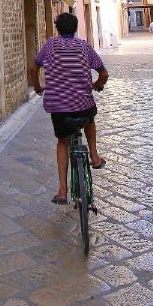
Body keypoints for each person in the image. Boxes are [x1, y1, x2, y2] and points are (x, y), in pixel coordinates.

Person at [34, 12, 109, 205]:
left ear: (57, 28)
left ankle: (62, 191)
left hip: (58, 107)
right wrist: (96, 85)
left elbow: (34, 68)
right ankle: (94, 155)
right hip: (83, 105)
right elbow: (103, 73)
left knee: (62, 142)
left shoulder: (50, 45)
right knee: (90, 121)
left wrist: (36, 86)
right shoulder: (84, 47)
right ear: (75, 28)